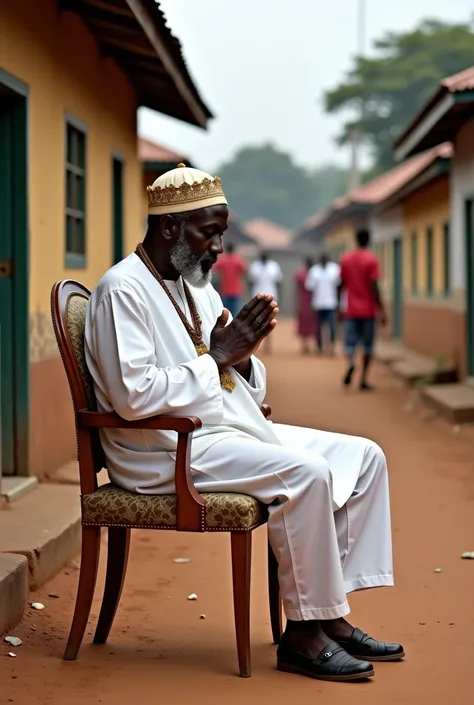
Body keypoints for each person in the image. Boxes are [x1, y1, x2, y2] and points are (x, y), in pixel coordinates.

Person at [85, 164, 403, 684]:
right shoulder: (123, 290)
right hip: (164, 450)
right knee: (306, 473)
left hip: (218, 432)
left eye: (222, 234)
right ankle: (302, 636)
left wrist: (243, 358)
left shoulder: (195, 287)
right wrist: (218, 359)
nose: (220, 249)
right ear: (171, 229)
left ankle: (328, 614)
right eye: (210, 233)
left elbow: (241, 382)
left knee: (364, 455)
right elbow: (132, 397)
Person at [338, 228, 387, 391]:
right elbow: (374, 285)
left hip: (351, 309)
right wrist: (382, 309)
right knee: (368, 345)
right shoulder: (372, 260)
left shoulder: (346, 258)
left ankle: (351, 363)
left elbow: (342, 284)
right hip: (368, 311)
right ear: (369, 240)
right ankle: (364, 378)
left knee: (350, 341)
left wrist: (339, 306)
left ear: (356, 239)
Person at [247, 252, 283, 354]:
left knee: (269, 319)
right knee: (256, 320)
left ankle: (268, 342)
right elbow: (250, 282)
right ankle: (257, 342)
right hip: (257, 296)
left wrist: (281, 298)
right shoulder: (254, 266)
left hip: (271, 296)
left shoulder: (274, 266)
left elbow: (279, 282)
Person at [305, 253, 340, 356]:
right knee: (318, 326)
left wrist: (339, 302)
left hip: (331, 302)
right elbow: (310, 288)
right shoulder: (314, 271)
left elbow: (339, 286)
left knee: (332, 326)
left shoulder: (335, 269)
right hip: (318, 303)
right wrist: (311, 303)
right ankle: (319, 346)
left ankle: (332, 346)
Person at [211, 242, 247, 318]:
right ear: (233, 250)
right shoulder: (238, 260)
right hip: (236, 291)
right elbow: (244, 271)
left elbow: (214, 269)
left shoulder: (223, 260)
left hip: (225, 290)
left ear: (226, 250)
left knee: (225, 314)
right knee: (235, 314)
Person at [294, 257, 317, 354]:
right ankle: (304, 344)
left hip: (314, 299)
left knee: (313, 322)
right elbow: (297, 289)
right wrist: (296, 302)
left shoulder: (316, 274)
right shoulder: (300, 274)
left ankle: (313, 345)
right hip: (304, 299)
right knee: (303, 321)